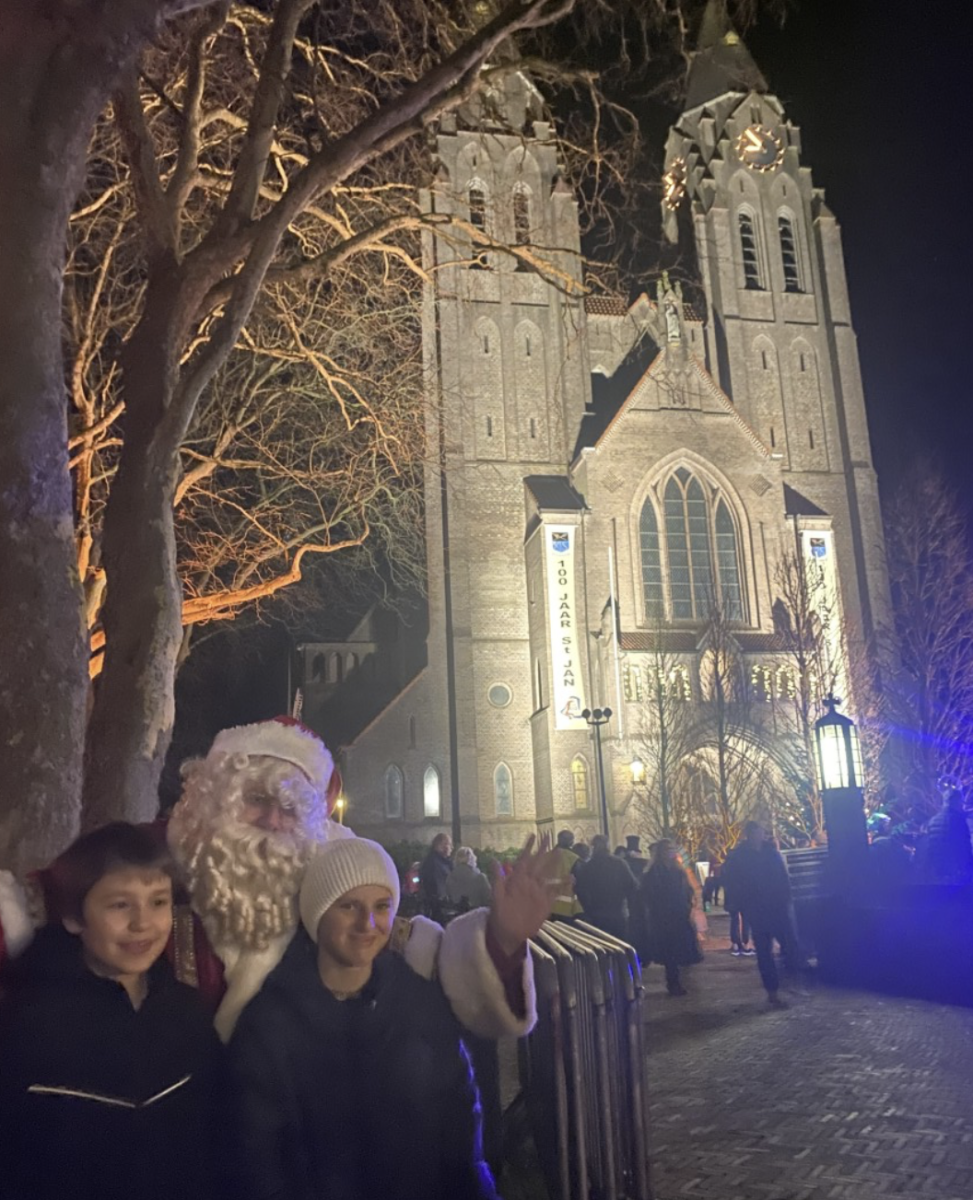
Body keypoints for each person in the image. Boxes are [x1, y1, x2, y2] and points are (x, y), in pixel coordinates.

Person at [0, 717, 542, 1043]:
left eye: (290, 808)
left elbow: (423, 959)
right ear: (215, 797)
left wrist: (502, 941)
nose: (274, 822)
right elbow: (40, 903)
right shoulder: (156, 855)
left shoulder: (330, 881)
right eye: (257, 800)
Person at [228, 836, 559, 1200]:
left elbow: (460, 1134)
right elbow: (258, 1162)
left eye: (382, 905)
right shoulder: (270, 1024)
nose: (367, 923)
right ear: (317, 913)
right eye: (348, 906)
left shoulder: (419, 1004)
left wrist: (506, 941)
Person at [0, 824, 223, 1200]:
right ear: (74, 918)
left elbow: (216, 1138)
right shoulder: (25, 1026)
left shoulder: (187, 1013)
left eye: (158, 902)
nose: (142, 923)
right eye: (120, 904)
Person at [724, 821, 799, 1006]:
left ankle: (789, 982)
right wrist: (741, 904)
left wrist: (786, 897)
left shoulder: (770, 852)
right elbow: (733, 882)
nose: (759, 836)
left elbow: (782, 876)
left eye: (761, 833)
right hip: (757, 909)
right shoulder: (740, 857)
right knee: (764, 953)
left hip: (776, 906)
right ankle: (772, 991)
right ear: (749, 835)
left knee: (789, 946)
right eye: (756, 833)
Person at [639, 839, 702, 996]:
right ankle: (673, 982)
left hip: (679, 915)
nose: (670, 852)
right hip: (663, 917)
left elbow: (686, 890)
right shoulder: (654, 872)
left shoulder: (678, 871)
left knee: (678, 949)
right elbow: (648, 895)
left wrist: (688, 906)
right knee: (670, 952)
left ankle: (677, 980)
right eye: (667, 849)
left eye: (672, 849)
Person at [574, 834, 638, 942]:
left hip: (596, 913)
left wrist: (588, 909)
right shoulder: (619, 863)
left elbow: (581, 890)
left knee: (601, 944)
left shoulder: (588, 867)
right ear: (608, 846)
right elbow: (631, 886)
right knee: (620, 944)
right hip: (618, 912)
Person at [918, 777, 973, 885]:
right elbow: (964, 846)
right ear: (956, 802)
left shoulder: (933, 820)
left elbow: (928, 845)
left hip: (937, 870)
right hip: (954, 871)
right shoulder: (958, 821)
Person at [720, 846, 755, 958]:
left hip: (730, 897)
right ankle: (745, 944)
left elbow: (723, 881)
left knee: (734, 920)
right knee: (745, 920)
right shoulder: (742, 866)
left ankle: (735, 944)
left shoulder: (725, 866)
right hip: (743, 897)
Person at [419, 831, 454, 921]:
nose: (451, 848)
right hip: (439, 909)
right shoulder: (435, 863)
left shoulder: (435, 860)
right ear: (441, 846)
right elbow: (438, 886)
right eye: (449, 844)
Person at [446, 846, 493, 911]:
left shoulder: (449, 877)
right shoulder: (480, 878)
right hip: (477, 917)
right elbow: (489, 901)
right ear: (472, 859)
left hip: (456, 918)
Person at [550, 830, 584, 920]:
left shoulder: (545, 857)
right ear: (571, 842)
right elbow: (580, 885)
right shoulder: (573, 858)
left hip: (546, 908)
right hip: (567, 909)